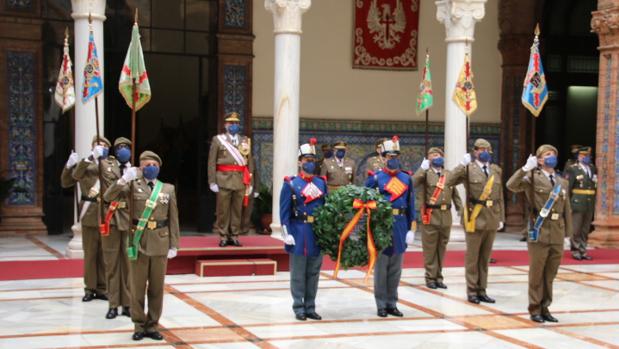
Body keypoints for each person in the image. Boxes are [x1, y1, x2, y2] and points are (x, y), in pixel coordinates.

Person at [104, 151, 179, 341]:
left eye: (154, 164)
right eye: (147, 165)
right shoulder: (131, 186)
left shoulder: (167, 189)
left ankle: (152, 325)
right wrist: (123, 179)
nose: (151, 168)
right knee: (137, 287)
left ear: (159, 167)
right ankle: (138, 324)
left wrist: (174, 244)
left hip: (160, 242)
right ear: (140, 168)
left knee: (156, 288)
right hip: (138, 242)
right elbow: (107, 196)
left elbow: (173, 219)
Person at [507, 145, 572, 323]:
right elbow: (511, 185)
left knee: (550, 274)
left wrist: (568, 234)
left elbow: (567, 209)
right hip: (539, 229)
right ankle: (534, 308)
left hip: (557, 232)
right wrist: (525, 168)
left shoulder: (562, 182)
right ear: (540, 160)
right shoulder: (532, 178)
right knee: (537, 273)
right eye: (547, 155)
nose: (551, 157)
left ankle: (545, 307)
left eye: (553, 154)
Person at [446, 138, 504, 304]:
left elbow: (500, 197)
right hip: (474, 217)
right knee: (473, 257)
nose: (483, 152)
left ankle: (482, 290)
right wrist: (460, 165)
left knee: (485, 258)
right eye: (479, 149)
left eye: (486, 149)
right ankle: (472, 290)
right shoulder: (468, 169)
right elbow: (448, 181)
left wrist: (501, 218)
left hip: (492, 217)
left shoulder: (495, 170)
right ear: (474, 151)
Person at [366, 136, 415, 318]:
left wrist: (412, 228)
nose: (393, 159)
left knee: (396, 268)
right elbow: (366, 202)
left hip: (401, 224)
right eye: (389, 156)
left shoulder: (406, 178)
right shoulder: (376, 178)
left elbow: (411, 203)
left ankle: (392, 302)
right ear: (383, 157)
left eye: (395, 155)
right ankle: (381, 304)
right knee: (381, 268)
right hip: (382, 224)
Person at [280, 138, 327, 321]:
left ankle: (310, 306)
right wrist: (286, 234)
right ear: (300, 162)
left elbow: (325, 207)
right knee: (298, 273)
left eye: (312, 160)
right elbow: (284, 213)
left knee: (314, 272)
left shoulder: (321, 183)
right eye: (306, 160)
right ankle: (298, 307)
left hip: (316, 232)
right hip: (299, 232)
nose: (310, 163)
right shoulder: (291, 184)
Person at [72, 135, 114, 302]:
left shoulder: (111, 166)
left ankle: (102, 288)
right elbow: (75, 175)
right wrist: (91, 158)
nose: (100, 147)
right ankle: (89, 288)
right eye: (98, 144)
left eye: (103, 145)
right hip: (89, 214)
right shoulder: (86, 164)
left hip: (106, 214)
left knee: (104, 254)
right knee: (90, 254)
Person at [414, 147, 462, 289]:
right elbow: (413, 183)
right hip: (430, 215)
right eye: (433, 155)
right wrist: (422, 169)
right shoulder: (425, 174)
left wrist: (460, 208)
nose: (437, 157)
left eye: (439, 155)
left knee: (441, 248)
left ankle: (438, 277)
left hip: (445, 216)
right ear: (429, 159)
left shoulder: (448, 174)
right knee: (430, 249)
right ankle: (430, 277)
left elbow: (455, 193)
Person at [208, 112, 254, 247]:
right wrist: (212, 181)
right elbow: (211, 162)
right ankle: (223, 235)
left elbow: (249, 163)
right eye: (231, 123)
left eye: (236, 123)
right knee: (223, 210)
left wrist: (250, 182)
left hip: (240, 180)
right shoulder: (218, 140)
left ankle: (234, 235)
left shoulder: (245, 140)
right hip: (223, 179)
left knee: (237, 210)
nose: (234, 125)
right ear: (225, 125)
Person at [101, 137, 132, 319]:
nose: (123, 150)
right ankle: (113, 304)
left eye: (126, 147)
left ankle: (127, 304)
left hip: (128, 221)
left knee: (129, 265)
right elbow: (107, 195)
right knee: (111, 265)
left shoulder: (136, 171)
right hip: (111, 220)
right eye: (119, 147)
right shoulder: (106, 168)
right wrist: (121, 181)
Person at [565, 146, 596, 260]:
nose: (586, 157)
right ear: (579, 156)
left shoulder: (592, 168)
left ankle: (583, 250)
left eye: (588, 156)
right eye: (584, 155)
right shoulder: (573, 169)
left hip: (589, 202)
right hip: (577, 202)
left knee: (585, 228)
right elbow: (568, 188)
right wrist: (567, 204)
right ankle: (575, 250)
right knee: (576, 228)